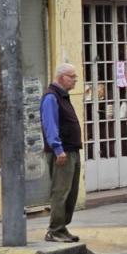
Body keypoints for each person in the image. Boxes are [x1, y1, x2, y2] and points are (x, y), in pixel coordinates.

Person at [40, 63, 82, 243]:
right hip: (62, 152)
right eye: (72, 76)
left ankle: (62, 227)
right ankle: (55, 230)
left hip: (71, 150)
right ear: (61, 77)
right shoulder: (51, 97)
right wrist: (58, 150)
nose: (75, 80)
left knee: (71, 191)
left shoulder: (63, 96)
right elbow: (50, 126)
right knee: (61, 191)